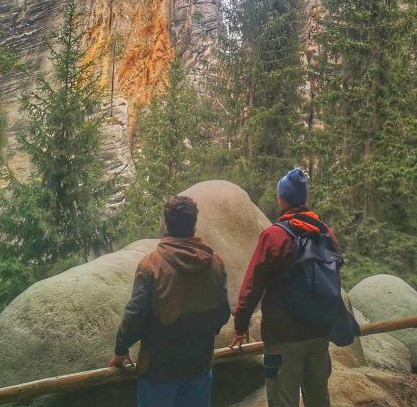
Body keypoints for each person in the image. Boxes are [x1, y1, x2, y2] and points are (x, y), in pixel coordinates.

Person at [230, 167, 337, 407]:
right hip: (319, 333)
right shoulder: (325, 233)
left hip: (283, 337)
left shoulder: (274, 236)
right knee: (319, 399)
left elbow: (253, 284)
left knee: (282, 400)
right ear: (304, 199)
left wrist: (240, 324)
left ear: (282, 199)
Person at [110, 195, 230, 407]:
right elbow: (223, 311)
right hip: (199, 365)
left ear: (166, 224)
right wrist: (202, 334)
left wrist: (121, 349)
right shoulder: (215, 263)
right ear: (194, 223)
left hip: (159, 370)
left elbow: (135, 314)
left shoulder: (151, 265)